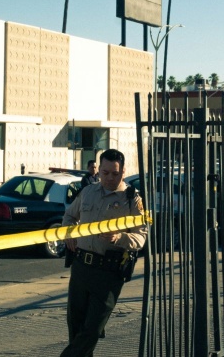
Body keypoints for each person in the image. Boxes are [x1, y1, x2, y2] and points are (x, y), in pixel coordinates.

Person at [61, 149, 147, 357]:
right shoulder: (88, 192)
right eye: (105, 172)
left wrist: (120, 237)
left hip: (108, 273)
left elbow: (141, 237)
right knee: (76, 327)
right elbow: (69, 216)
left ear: (123, 172)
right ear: (98, 170)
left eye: (115, 173)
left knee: (92, 330)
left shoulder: (132, 199)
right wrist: (69, 232)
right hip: (81, 267)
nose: (109, 178)